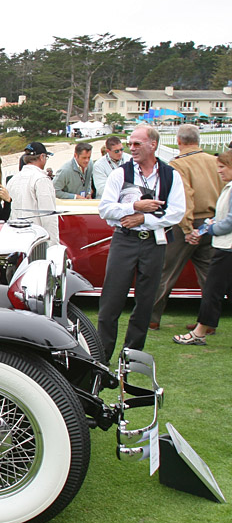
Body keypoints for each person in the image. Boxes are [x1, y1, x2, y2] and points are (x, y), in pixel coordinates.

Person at [96, 125, 185, 363]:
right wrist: (135, 207)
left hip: (154, 243)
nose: (131, 148)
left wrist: (145, 218)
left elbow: (176, 212)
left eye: (137, 144)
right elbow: (105, 209)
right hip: (124, 240)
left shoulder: (170, 175)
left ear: (152, 145)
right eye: (130, 144)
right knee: (110, 302)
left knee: (146, 302)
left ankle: (131, 357)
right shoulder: (120, 174)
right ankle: (101, 357)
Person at [150, 124, 222, 331]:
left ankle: (152, 318)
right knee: (209, 276)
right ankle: (208, 322)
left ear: (179, 141)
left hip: (187, 223)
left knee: (165, 271)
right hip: (212, 222)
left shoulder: (178, 165)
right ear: (198, 140)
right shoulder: (215, 161)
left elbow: (185, 197)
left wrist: (188, 229)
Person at [175, 150, 232, 345]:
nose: (219, 171)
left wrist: (210, 228)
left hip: (226, 247)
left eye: (223, 167)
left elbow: (229, 222)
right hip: (225, 246)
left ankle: (199, 333)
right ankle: (201, 330)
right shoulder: (228, 188)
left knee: (212, 290)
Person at [9, 142, 60, 244]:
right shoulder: (41, 179)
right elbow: (48, 216)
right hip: (36, 239)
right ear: (42, 157)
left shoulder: (13, 180)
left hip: (15, 238)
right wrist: (54, 245)